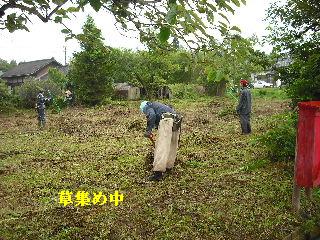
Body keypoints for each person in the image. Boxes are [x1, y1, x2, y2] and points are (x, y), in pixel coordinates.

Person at [140, 101, 182, 181]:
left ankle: (158, 173)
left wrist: (148, 130)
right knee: (171, 145)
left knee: (162, 146)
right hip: (176, 121)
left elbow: (152, 115)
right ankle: (169, 166)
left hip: (166, 121)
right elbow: (158, 116)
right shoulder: (160, 106)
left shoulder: (148, 106)